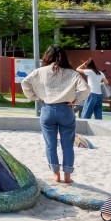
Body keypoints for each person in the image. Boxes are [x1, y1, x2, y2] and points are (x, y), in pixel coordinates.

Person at [21, 45, 88, 185]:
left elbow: (25, 82)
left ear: (47, 56)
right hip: (66, 110)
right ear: (64, 57)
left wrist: (35, 97)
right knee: (68, 145)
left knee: (50, 145)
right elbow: (86, 89)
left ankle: (56, 175)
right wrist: (76, 99)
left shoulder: (40, 71)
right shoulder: (72, 73)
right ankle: (68, 176)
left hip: (48, 110)